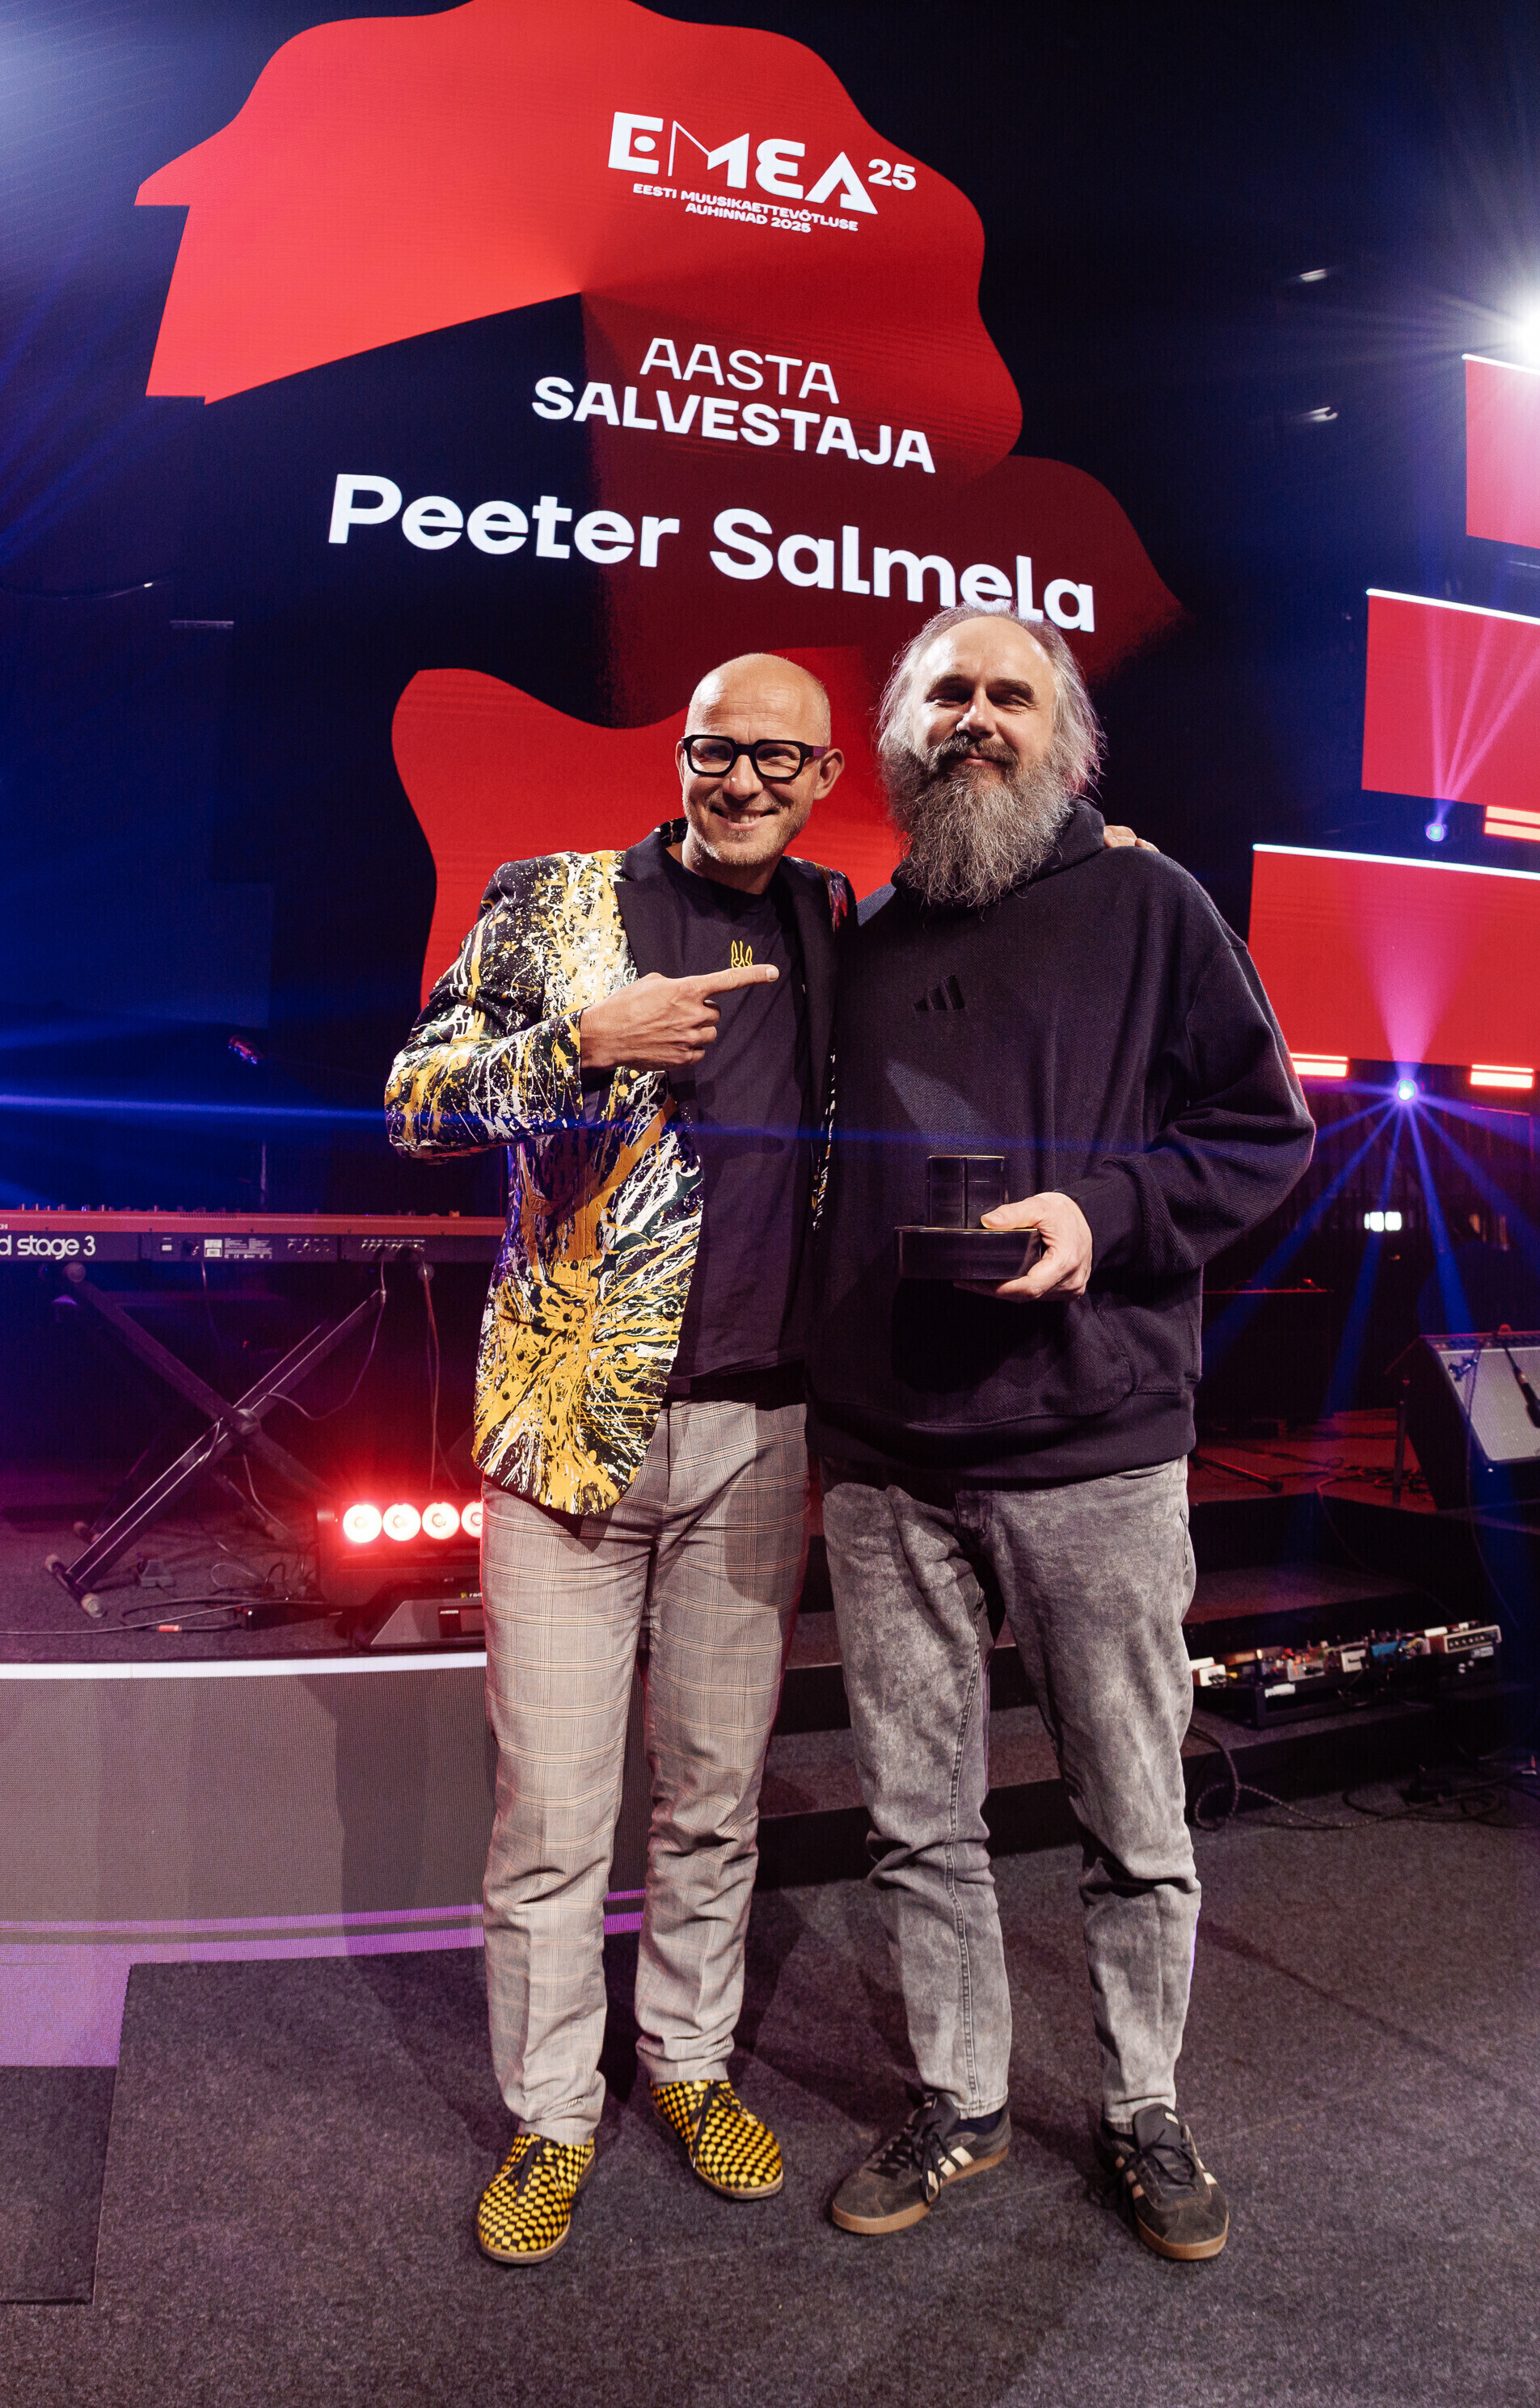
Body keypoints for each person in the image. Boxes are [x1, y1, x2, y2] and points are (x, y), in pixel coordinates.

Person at [807, 605, 1314, 2262]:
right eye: (943, 694)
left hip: (1093, 1442)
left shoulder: (1153, 906)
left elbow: (1262, 1133)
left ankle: (1141, 2105)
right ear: (900, 735)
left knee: (1132, 1816)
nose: (974, 718)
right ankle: (959, 2100)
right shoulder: (865, 936)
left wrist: (1103, 1215)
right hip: (887, 1457)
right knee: (916, 1816)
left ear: (1067, 738)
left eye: (1008, 695)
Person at [386, 653, 854, 2263]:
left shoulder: (836, 922)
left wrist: (1105, 847)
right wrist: (578, 1040)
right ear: (683, 754)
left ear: (823, 777)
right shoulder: (549, 899)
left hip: (762, 1433)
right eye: (720, 749)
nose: (745, 780)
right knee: (554, 1819)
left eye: (780, 758)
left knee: (715, 1803)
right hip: (571, 1434)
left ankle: (691, 2064)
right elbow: (416, 1104)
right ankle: (552, 2116)